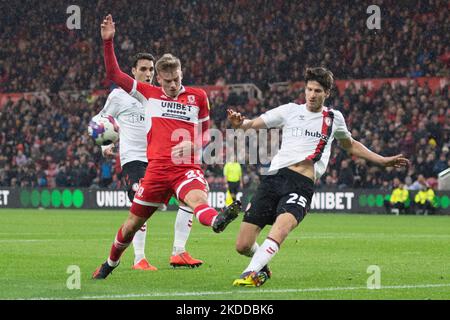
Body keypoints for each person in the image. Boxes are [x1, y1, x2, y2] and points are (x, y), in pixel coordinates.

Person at [227, 67, 409, 287]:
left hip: (301, 183)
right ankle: (261, 267)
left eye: (318, 91)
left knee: (282, 226)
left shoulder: (334, 118)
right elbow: (253, 123)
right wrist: (240, 123)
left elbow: (350, 145)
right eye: (309, 89)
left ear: (327, 93)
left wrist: (383, 160)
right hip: (273, 178)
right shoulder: (290, 110)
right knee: (243, 245)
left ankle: (251, 272)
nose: (312, 94)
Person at [92, 15, 241, 279]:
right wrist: (108, 42)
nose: (173, 85)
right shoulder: (148, 94)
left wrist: (194, 144)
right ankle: (109, 264)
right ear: (158, 79)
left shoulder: (199, 97)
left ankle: (216, 220)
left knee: (197, 200)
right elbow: (114, 74)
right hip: (156, 170)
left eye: (177, 79)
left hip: (185, 167)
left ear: (181, 73)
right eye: (167, 80)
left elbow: (206, 134)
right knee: (131, 226)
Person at [94, 52, 203, 270]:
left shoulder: (157, 96)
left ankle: (179, 252)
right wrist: (105, 143)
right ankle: (139, 258)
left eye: (151, 69)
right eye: (143, 69)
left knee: (187, 201)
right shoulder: (119, 96)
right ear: (133, 71)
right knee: (139, 207)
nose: (148, 73)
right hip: (134, 159)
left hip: (161, 160)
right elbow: (101, 119)